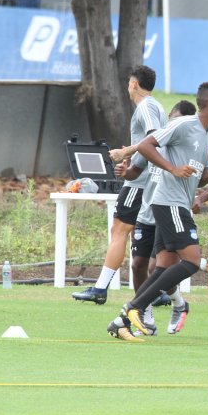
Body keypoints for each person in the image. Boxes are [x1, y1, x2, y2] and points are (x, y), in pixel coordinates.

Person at [108, 82, 208, 342]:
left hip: (180, 203)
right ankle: (136, 307)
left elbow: (199, 179)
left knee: (163, 268)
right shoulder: (184, 125)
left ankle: (121, 320)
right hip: (168, 202)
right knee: (192, 261)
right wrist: (172, 168)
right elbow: (146, 145)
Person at [73, 65, 167, 305]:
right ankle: (161, 292)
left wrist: (126, 151)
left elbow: (153, 138)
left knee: (119, 230)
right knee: (146, 237)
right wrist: (132, 159)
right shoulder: (156, 106)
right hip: (148, 179)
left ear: (133, 84)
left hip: (141, 183)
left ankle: (101, 289)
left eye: (128, 83)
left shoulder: (146, 107)